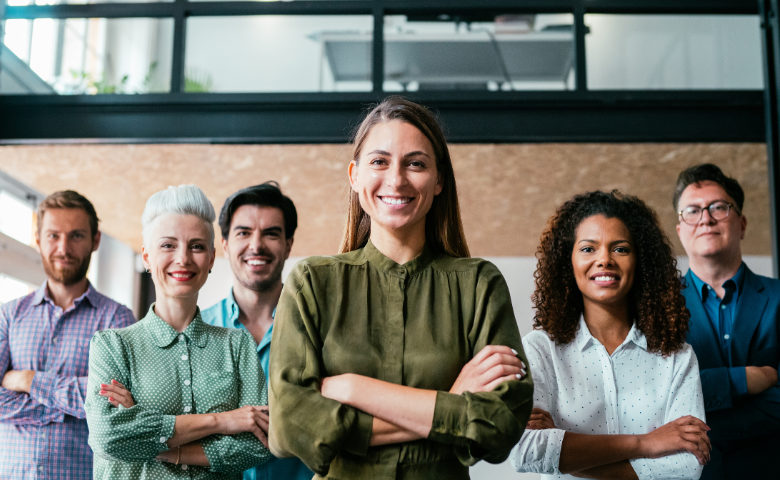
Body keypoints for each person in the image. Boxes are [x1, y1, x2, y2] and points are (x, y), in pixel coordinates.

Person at [268, 97, 533, 480]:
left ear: (439, 179)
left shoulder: (478, 283)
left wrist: (352, 388)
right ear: (354, 175)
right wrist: (454, 403)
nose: (396, 179)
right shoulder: (312, 282)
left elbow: (500, 424)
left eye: (416, 163)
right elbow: (289, 427)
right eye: (379, 161)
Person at [512, 190, 709, 480]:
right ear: (568, 261)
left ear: (640, 261)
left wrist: (563, 450)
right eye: (588, 248)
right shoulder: (540, 350)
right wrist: (647, 443)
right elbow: (527, 451)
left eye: (620, 249)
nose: (604, 260)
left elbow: (687, 466)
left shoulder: (677, 356)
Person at [84, 185, 271, 479]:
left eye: (196, 246)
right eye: (168, 245)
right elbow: (108, 436)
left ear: (211, 259)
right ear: (146, 257)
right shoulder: (112, 346)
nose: (183, 258)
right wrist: (221, 421)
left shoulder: (237, 345)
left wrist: (157, 440)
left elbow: (257, 444)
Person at [0, 190, 135, 479]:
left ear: (95, 240)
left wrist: (28, 380)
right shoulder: (7, 316)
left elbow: (114, 406)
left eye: (76, 235)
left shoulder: (117, 319)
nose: (63, 248)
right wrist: (71, 407)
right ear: (37, 239)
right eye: (53, 236)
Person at [673, 164, 780, 479]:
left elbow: (678, 402)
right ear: (680, 230)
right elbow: (655, 396)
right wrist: (744, 380)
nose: (705, 218)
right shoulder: (654, 308)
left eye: (718, 207)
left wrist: (702, 415)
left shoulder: (778, 297)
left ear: (742, 223)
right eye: (692, 211)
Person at [202, 182, 313, 480]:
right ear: (224, 244)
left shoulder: (320, 327)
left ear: (289, 244)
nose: (256, 245)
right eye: (243, 232)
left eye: (271, 233)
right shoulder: (196, 330)